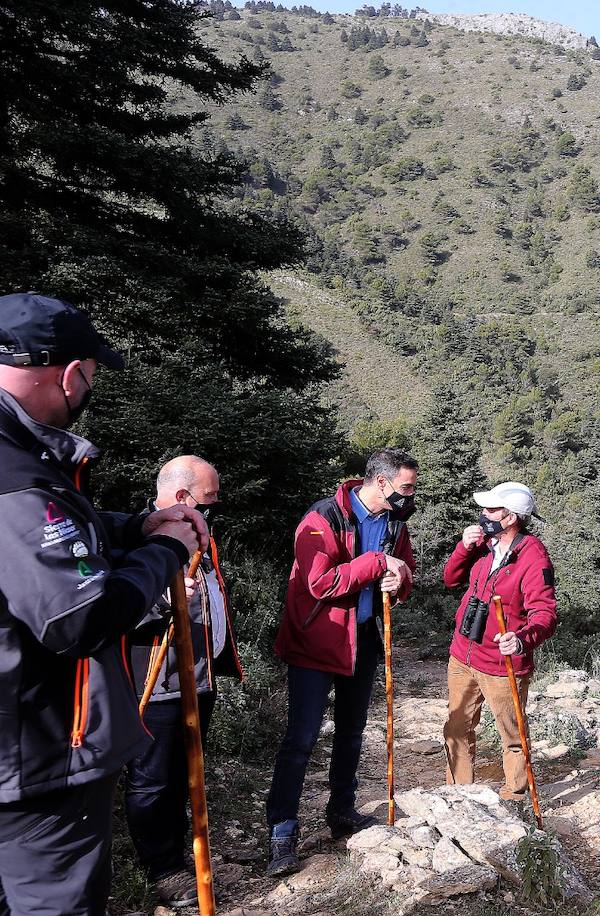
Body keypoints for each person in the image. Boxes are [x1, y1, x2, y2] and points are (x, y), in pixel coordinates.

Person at [0, 291, 207, 915]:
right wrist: (165, 551)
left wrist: (131, 527)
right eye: (90, 377)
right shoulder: (16, 474)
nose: (87, 391)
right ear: (68, 373)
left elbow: (42, 549)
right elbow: (79, 615)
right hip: (35, 752)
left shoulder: (22, 461)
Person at [265, 448, 417, 877]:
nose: (411, 495)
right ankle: (282, 830)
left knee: (351, 731)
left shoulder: (395, 521)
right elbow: (319, 583)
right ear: (381, 482)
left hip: (364, 640)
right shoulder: (323, 518)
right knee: (301, 739)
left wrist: (399, 577)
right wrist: (375, 564)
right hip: (316, 643)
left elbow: (406, 571)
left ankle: (342, 811)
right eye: (406, 487)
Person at [126, 455, 245, 907]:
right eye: (210, 498)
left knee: (185, 773)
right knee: (153, 779)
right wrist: (162, 599)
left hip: (198, 678)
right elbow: (113, 611)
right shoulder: (134, 541)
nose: (215, 505)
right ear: (182, 497)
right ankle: (160, 868)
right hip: (155, 682)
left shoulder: (198, 536)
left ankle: (189, 859)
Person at [442, 482, 557, 803]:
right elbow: (450, 579)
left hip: (502, 664)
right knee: (455, 728)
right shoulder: (483, 544)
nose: (484, 514)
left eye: (492, 509)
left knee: (512, 736)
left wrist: (521, 640)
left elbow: (545, 614)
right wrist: (464, 547)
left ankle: (516, 797)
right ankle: (458, 798)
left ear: (511, 518)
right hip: (463, 654)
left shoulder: (533, 557)